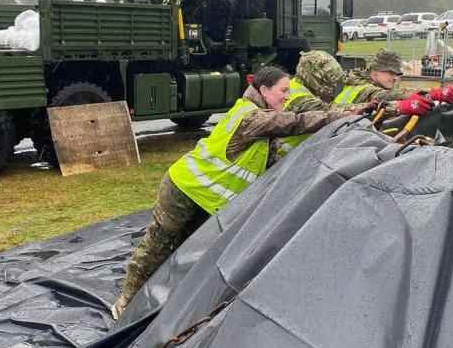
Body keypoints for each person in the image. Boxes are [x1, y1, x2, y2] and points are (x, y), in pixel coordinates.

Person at [111, 66, 368, 318]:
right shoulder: (251, 117)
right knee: (157, 246)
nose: (287, 96)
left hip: (206, 199)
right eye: (283, 90)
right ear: (264, 90)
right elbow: (293, 122)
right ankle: (126, 303)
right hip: (183, 188)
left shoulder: (258, 114)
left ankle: (161, 305)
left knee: (186, 250)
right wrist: (338, 117)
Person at [335, 49, 453, 117]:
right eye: (390, 73)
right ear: (374, 71)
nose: (395, 78)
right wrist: (432, 94)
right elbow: (388, 96)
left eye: (397, 74)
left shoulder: (360, 80)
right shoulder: (364, 88)